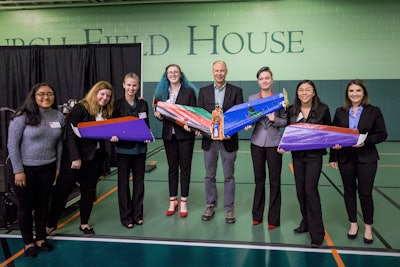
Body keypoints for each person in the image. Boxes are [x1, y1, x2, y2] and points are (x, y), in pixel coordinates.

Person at [47, 81, 114, 237]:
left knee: (89, 192)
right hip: (74, 159)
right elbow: (70, 135)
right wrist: (75, 158)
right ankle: (50, 224)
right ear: (95, 93)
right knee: (62, 191)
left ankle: (84, 223)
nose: (104, 98)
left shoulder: (105, 111)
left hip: (94, 158)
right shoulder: (80, 108)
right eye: (102, 94)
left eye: (108, 96)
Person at [7, 83, 64, 258]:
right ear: (33, 96)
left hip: (47, 168)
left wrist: (57, 168)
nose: (46, 97)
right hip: (24, 169)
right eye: (41, 94)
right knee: (25, 207)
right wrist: (18, 170)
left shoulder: (59, 116)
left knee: (42, 206)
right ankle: (28, 242)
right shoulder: (20, 117)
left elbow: (59, 146)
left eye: (50, 94)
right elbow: (12, 145)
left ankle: (40, 238)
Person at [329, 79, 387, 244]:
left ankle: (368, 227)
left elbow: (382, 134)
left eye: (358, 91)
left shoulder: (374, 111)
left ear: (364, 93)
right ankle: (353, 224)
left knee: (365, 193)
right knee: (349, 192)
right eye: (351, 91)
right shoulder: (340, 112)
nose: (354, 94)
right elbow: (334, 135)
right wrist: (333, 156)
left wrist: (365, 141)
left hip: (367, 158)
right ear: (347, 94)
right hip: (345, 158)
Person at [279, 80, 331, 247]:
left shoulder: (323, 109)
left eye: (308, 90)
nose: (304, 93)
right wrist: (283, 145)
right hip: (298, 156)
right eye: (301, 90)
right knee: (300, 190)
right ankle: (306, 222)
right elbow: (289, 130)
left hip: (314, 156)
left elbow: (329, 131)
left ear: (314, 92)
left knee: (310, 190)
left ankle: (317, 233)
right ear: (297, 93)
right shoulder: (292, 110)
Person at [198, 60, 244, 224]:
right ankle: (210, 204)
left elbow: (239, 116)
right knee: (209, 176)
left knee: (229, 176)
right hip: (209, 141)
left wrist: (229, 132)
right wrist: (202, 130)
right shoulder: (203, 92)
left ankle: (229, 209)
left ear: (226, 72)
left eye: (222, 70)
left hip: (229, 141)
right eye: (216, 70)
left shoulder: (236, 91)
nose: (219, 73)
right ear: (212, 72)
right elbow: (200, 116)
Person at [154, 64, 197, 218]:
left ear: (180, 74)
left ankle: (184, 201)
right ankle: (173, 200)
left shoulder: (189, 92)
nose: (173, 74)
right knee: (172, 168)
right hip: (169, 136)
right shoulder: (161, 92)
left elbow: (194, 113)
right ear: (166, 75)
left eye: (176, 72)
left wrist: (190, 125)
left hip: (185, 135)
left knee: (185, 167)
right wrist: (158, 116)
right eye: (170, 72)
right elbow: (159, 112)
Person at [249, 67, 287, 229]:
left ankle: (274, 219)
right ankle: (257, 216)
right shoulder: (252, 98)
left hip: (274, 143)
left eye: (267, 78)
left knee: (274, 182)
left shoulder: (280, 99)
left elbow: (285, 121)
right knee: (259, 181)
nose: (264, 81)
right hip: (256, 142)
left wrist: (274, 119)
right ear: (258, 81)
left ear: (272, 80)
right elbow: (248, 118)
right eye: (261, 78)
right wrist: (248, 122)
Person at [111, 73, 151, 228]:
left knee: (139, 184)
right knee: (123, 185)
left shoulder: (143, 104)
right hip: (123, 151)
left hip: (140, 150)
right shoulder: (117, 105)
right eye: (129, 85)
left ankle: (137, 215)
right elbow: (113, 126)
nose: (131, 88)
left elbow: (145, 124)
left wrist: (147, 135)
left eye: (134, 85)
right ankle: (126, 217)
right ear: (123, 85)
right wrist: (113, 136)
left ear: (138, 86)